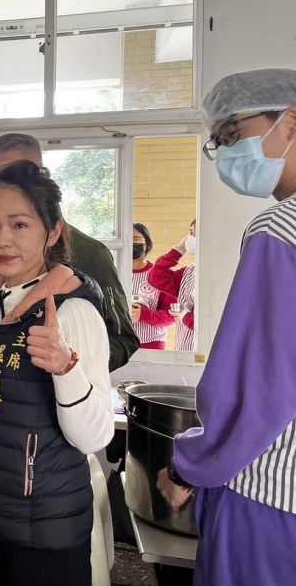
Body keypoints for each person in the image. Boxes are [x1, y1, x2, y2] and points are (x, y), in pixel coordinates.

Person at [157, 68, 296, 586]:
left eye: (233, 133)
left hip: (271, 495)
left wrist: (188, 466)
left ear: (290, 120)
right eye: (218, 144)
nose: (228, 152)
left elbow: (257, 387)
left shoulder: (280, 230)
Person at [0, 161, 114, 586]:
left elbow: (96, 437)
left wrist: (66, 368)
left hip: (45, 529)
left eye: (20, 225)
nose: (1, 239)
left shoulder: (72, 310)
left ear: (53, 232)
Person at [0, 133, 138, 372]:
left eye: (14, 171)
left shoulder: (89, 252)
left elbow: (122, 339)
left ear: (43, 177)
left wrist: (66, 363)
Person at [148, 220, 196, 351]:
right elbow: (157, 276)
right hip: (184, 351)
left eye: (196, 235)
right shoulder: (189, 273)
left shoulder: (221, 275)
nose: (191, 239)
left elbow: (211, 325)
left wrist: (183, 314)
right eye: (191, 234)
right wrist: (180, 249)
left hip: (209, 355)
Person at [131, 223, 176, 350]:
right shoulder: (114, 274)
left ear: (147, 245)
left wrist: (144, 315)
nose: (131, 244)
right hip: (119, 344)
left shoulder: (160, 275)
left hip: (152, 344)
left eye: (136, 240)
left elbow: (172, 314)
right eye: (127, 240)